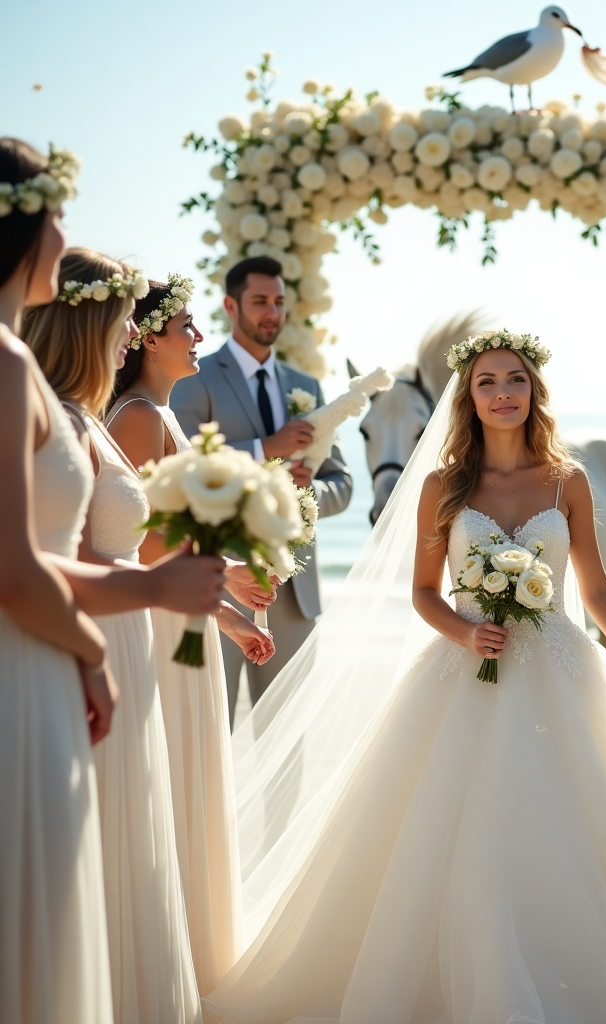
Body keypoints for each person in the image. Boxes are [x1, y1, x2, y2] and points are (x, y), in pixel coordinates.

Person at [203, 329, 606, 1023]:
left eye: (514, 380)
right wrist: (466, 631)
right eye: (487, 382)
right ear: (467, 397)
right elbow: (422, 593)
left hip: (560, 670)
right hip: (464, 670)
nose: (502, 393)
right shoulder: (442, 486)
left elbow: (596, 593)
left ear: (533, 391)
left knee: (572, 832)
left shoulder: (568, 480)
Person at [0, 138, 223, 1024]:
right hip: (38, 653)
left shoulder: (42, 389)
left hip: (55, 648)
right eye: (54, 215)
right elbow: (19, 565)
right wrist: (112, 628)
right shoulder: (19, 375)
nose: (63, 234)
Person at [106, 276, 274, 995]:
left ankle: (195, 963)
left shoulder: (165, 419)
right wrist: (228, 573)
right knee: (174, 786)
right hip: (161, 625)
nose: (199, 339)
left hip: (187, 622)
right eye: (187, 327)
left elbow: (170, 539)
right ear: (145, 338)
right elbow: (142, 549)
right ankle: (165, 969)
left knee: (192, 783)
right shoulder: (139, 417)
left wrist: (231, 607)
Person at [170, 255, 352, 726]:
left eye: (278, 302)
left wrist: (303, 498)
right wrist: (263, 450)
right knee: (211, 732)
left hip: (295, 596)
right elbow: (180, 468)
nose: (271, 312)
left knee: (289, 748)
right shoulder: (194, 377)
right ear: (231, 305)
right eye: (259, 302)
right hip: (221, 587)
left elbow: (343, 484)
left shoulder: (306, 384)